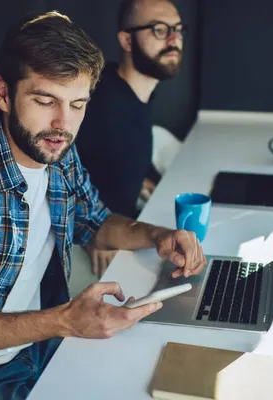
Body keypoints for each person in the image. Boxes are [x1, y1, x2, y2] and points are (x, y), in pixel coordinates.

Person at [0, 11, 205, 400]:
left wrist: (159, 236)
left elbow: (94, 221)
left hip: (35, 345)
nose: (62, 123)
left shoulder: (57, 154)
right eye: (45, 100)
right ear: (4, 94)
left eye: (77, 104)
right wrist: (66, 321)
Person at [75, 0, 186, 275]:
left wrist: (139, 178)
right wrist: (93, 234)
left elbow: (113, 152)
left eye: (178, 29)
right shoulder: (98, 101)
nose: (173, 39)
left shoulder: (137, 93)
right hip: (96, 253)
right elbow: (53, 173)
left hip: (129, 230)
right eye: (159, 29)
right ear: (126, 39)